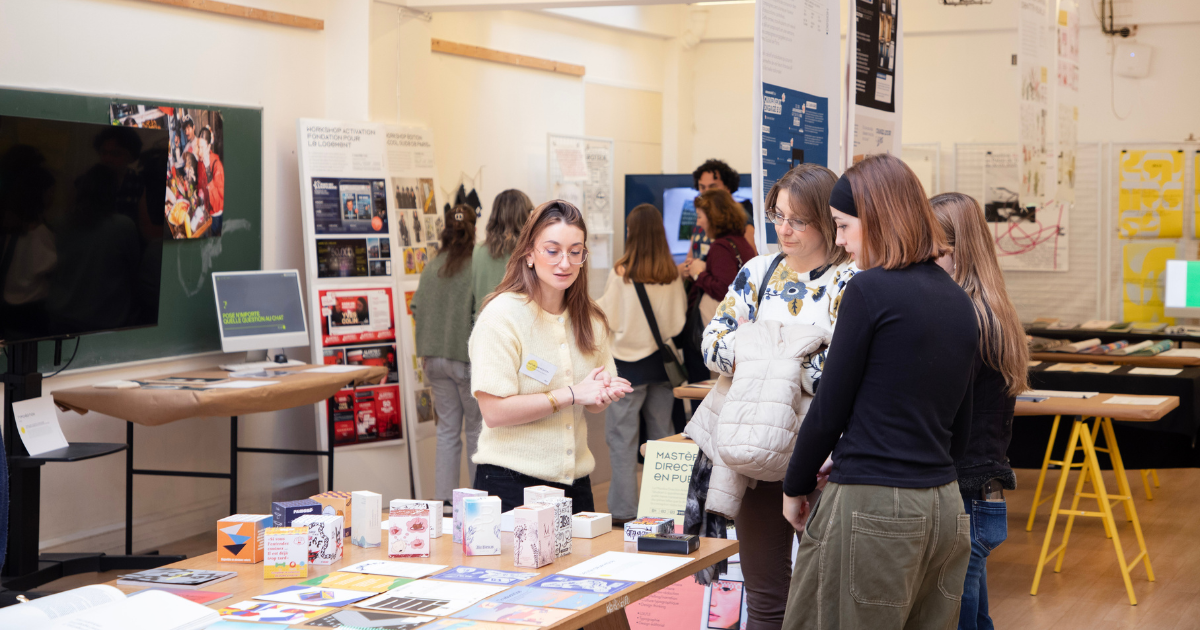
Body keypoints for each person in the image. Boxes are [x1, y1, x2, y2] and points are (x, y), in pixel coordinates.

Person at [781, 154, 977, 630]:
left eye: (845, 226)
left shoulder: (869, 291)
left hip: (875, 506)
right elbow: (962, 428)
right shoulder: (959, 300)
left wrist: (795, 485)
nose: (842, 242)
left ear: (880, 219)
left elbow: (830, 408)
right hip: (945, 507)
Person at [695, 164, 856, 630]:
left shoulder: (851, 282)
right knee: (766, 594)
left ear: (828, 220)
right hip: (754, 450)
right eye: (776, 215)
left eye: (798, 220)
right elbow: (711, 346)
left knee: (829, 595)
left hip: (825, 455)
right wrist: (796, 354)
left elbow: (841, 375)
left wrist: (758, 347)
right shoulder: (758, 272)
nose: (783, 229)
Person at [468, 200, 633, 512]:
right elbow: (494, 412)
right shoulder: (502, 316)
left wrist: (601, 396)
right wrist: (571, 394)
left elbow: (593, 397)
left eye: (575, 251)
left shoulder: (591, 318)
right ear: (530, 253)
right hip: (510, 485)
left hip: (575, 486)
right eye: (553, 250)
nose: (565, 263)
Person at [930, 192, 1028, 630]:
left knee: (959, 620)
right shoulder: (992, 310)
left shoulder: (964, 316)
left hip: (966, 493)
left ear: (955, 250)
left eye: (930, 246)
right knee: (975, 619)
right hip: (980, 490)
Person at [596, 204, 687, 522]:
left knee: (622, 441)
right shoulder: (671, 273)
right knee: (663, 438)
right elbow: (677, 324)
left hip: (626, 369)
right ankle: (664, 511)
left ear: (631, 232)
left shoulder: (621, 274)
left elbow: (609, 318)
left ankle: (623, 513)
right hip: (661, 368)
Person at [411, 204, 484, 503]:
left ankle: (443, 506)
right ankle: (480, 503)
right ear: (473, 228)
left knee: (447, 434)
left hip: (433, 360)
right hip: (464, 359)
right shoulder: (477, 264)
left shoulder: (433, 264)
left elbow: (416, 307)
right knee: (477, 432)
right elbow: (480, 312)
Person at [679, 189, 756, 382]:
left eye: (699, 217)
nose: (698, 223)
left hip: (717, 329)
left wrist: (699, 273)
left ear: (712, 216)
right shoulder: (741, 243)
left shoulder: (721, 247)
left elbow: (724, 290)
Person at [683, 159, 755, 274]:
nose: (706, 192)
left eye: (712, 187)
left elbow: (751, 264)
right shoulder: (701, 218)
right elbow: (690, 256)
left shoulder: (741, 219)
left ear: (728, 188)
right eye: (702, 187)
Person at [472, 189, 533, 320]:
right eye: (530, 211)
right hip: (515, 328)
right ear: (522, 216)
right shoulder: (527, 252)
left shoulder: (477, 250)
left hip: (482, 325)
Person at [197, 127, 224, 236]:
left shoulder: (217, 166)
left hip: (214, 217)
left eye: (202, 148)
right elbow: (199, 186)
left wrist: (208, 171)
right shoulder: (200, 162)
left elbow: (217, 204)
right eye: (198, 147)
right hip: (204, 211)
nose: (199, 151)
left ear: (209, 147)